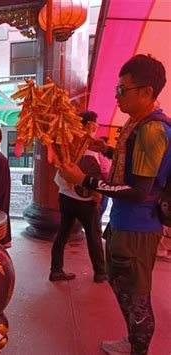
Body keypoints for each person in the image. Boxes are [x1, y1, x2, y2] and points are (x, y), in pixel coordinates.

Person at [59, 54, 169, 355]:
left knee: (136, 295)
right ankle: (133, 342)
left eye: (122, 90)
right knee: (123, 286)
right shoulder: (139, 124)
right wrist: (105, 149)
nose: (117, 96)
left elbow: (137, 190)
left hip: (137, 226)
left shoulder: (151, 130)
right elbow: (130, 170)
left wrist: (86, 181)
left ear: (146, 92)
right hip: (126, 223)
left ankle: (138, 350)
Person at [50, 111, 107, 283]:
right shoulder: (88, 147)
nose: (96, 128)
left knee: (62, 233)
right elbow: (94, 175)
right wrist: (97, 196)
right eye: (95, 124)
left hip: (65, 197)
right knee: (93, 235)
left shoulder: (67, 143)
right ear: (89, 124)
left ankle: (56, 270)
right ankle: (100, 272)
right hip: (84, 200)